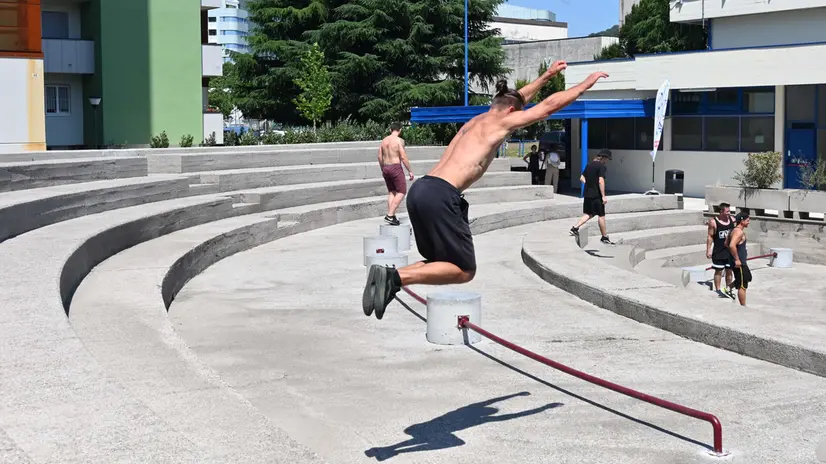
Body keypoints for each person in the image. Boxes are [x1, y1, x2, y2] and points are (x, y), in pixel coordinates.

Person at [362, 61, 610, 319]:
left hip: (421, 191)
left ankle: (389, 280)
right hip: (441, 196)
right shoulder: (500, 125)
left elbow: (517, 98)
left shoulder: (477, 120)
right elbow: (547, 108)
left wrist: (547, 76)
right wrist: (584, 85)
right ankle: (393, 277)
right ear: (511, 112)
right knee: (465, 270)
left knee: (443, 264)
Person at [569, 149, 615, 245]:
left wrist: (589, 184)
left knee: (590, 213)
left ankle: (575, 228)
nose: (607, 161)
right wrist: (603, 196)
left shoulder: (589, 165)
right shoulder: (602, 167)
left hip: (587, 194)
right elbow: (601, 181)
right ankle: (604, 237)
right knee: (601, 215)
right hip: (596, 195)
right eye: (607, 159)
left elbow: (581, 177)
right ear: (603, 157)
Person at [378, 123, 414, 226]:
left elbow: (379, 157)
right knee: (402, 191)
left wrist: (382, 168)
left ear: (390, 130)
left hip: (386, 167)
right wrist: (410, 170)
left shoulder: (384, 141)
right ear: (400, 130)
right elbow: (403, 157)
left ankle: (392, 216)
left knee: (392, 192)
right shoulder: (399, 141)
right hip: (395, 167)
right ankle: (390, 215)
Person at [706, 202, 735, 298]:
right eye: (727, 211)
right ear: (721, 212)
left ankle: (728, 289)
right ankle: (718, 290)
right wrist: (708, 250)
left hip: (729, 252)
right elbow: (710, 237)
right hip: (718, 251)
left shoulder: (732, 220)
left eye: (729, 211)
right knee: (718, 271)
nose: (729, 213)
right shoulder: (714, 222)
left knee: (729, 271)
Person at [727, 212, 752, 306]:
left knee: (746, 277)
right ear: (742, 221)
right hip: (739, 263)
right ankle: (743, 307)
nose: (749, 222)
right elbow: (731, 245)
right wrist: (737, 259)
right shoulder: (738, 232)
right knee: (742, 285)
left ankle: (728, 287)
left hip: (740, 261)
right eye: (747, 220)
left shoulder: (733, 230)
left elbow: (726, 243)